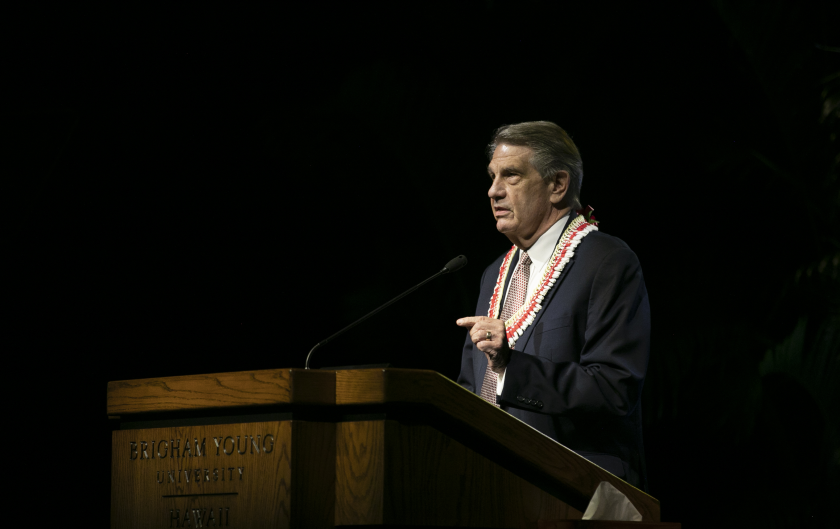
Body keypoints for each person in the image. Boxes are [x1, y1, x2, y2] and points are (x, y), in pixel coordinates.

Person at [456, 121, 650, 490]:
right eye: (492, 176)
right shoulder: (493, 274)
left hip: (575, 491)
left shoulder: (606, 262)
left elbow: (614, 388)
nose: (493, 191)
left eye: (511, 176)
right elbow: (470, 389)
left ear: (558, 185)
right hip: (488, 485)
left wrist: (512, 367)